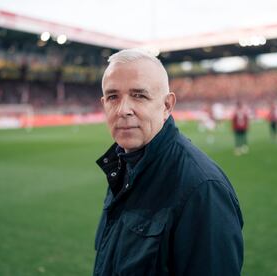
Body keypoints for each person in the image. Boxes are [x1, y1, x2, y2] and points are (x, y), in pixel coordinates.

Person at [94, 48, 243, 276]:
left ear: (167, 106)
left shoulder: (203, 189)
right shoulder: (122, 166)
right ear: (104, 103)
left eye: (139, 95)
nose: (123, 110)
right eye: (113, 97)